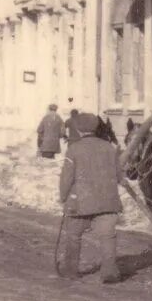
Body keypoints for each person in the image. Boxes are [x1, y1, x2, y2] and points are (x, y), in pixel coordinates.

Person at [58, 112, 123, 284]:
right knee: (107, 236)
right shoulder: (110, 148)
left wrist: (63, 196)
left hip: (81, 202)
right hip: (108, 202)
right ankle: (109, 271)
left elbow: (67, 177)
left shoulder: (74, 149)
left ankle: (71, 270)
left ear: (79, 129)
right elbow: (119, 176)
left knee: (73, 235)